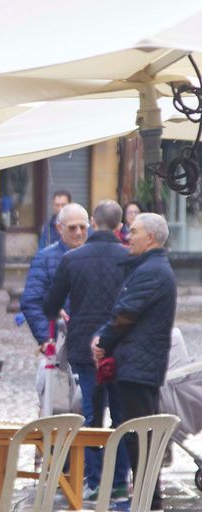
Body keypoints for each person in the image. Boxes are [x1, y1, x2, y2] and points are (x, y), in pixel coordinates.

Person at [43, 200, 130, 502]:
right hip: (120, 347)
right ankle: (119, 482)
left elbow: (50, 305)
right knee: (121, 417)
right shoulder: (130, 257)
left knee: (91, 415)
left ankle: (94, 480)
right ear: (119, 226)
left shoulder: (72, 259)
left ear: (93, 222)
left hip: (84, 347)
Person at [92, 213, 176, 511]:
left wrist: (103, 343)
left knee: (139, 437)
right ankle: (145, 498)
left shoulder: (151, 270)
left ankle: (147, 501)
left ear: (150, 238)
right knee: (138, 436)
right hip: (137, 364)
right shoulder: (146, 267)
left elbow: (126, 314)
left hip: (139, 367)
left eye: (135, 230)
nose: (128, 234)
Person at [21, 202, 89, 348]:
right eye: (72, 227)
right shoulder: (44, 258)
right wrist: (46, 337)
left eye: (83, 227)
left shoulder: (97, 256)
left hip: (92, 343)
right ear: (59, 228)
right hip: (60, 342)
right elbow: (32, 301)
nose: (78, 232)